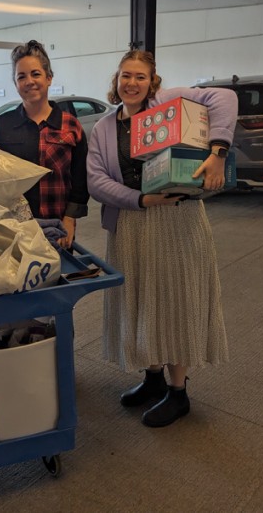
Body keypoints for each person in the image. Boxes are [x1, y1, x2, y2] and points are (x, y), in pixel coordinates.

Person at [86, 49, 238, 428]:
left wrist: (218, 151)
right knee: (141, 300)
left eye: (140, 76)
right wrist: (139, 199)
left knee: (176, 300)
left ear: (152, 80)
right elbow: (96, 181)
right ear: (116, 80)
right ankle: (152, 379)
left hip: (177, 219)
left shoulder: (169, 103)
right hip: (132, 222)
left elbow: (226, 97)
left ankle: (178, 391)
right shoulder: (104, 128)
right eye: (125, 75)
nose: (131, 83)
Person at [0, 40, 89, 249]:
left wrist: (69, 220)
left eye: (35, 74)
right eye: (21, 76)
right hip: (13, 229)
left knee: (58, 278)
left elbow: (80, 179)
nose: (29, 81)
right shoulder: (2, 125)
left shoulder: (70, 125)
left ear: (49, 78)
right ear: (15, 83)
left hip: (58, 229)